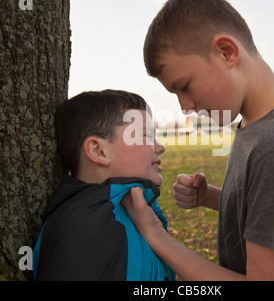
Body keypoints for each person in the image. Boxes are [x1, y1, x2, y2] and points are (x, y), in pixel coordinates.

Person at [122, 0, 274, 280]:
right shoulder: (258, 127)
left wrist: (155, 234)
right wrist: (211, 197)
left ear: (227, 52)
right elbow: (270, 210)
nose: (185, 107)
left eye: (185, 86)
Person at [32, 89, 175, 281]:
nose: (161, 147)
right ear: (98, 151)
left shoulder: (134, 211)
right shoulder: (82, 230)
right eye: (147, 136)